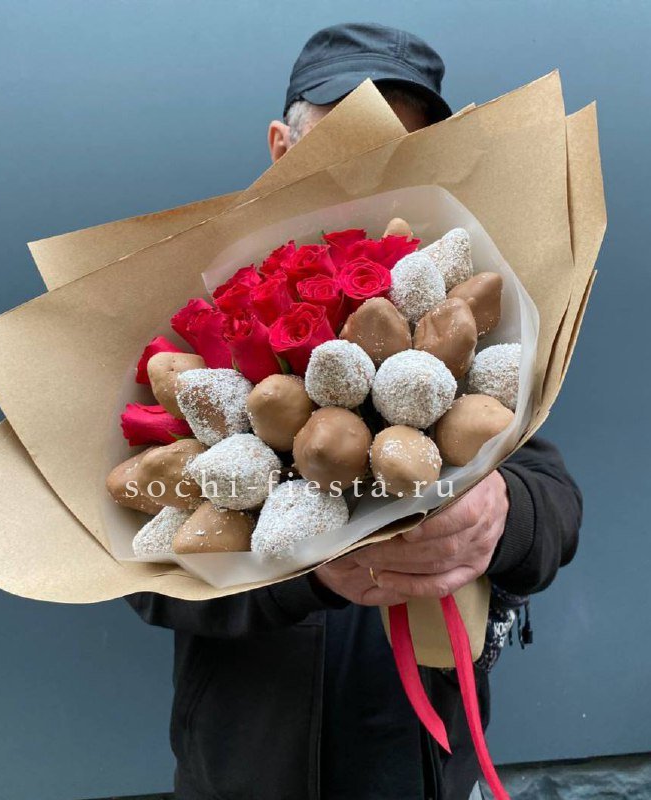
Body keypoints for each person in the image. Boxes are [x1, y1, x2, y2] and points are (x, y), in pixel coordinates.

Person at [127, 23, 582, 800]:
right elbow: (143, 576)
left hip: (420, 766)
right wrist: (303, 572)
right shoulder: (201, 310)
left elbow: (556, 508)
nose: (375, 166)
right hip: (248, 771)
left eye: (405, 148)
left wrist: (502, 514)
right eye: (348, 138)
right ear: (281, 146)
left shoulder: (465, 305)